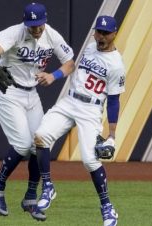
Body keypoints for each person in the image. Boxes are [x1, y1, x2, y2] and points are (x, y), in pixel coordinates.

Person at [0, 2, 75, 221]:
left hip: (31, 94)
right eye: (32, 25)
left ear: (45, 21)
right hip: (8, 91)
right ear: (26, 22)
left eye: (39, 25)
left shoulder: (51, 35)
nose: (35, 29)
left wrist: (54, 76)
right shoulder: (15, 32)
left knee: (40, 143)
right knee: (23, 144)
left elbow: (70, 63)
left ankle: (30, 197)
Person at [35, 15, 125, 226]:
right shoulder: (91, 47)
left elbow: (113, 101)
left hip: (90, 109)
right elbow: (73, 66)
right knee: (40, 136)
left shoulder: (116, 65)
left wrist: (111, 135)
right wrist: (55, 76)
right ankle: (48, 187)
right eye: (98, 32)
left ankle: (108, 208)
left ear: (114, 33)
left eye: (105, 33)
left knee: (90, 160)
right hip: (70, 102)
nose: (101, 36)